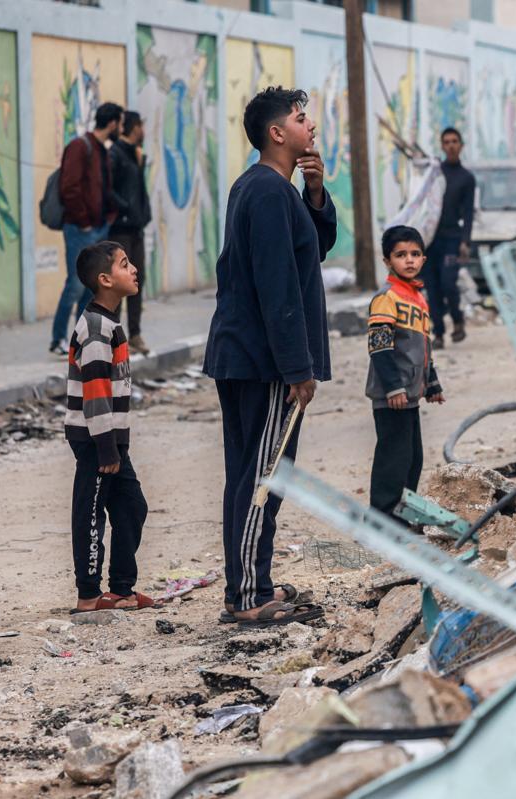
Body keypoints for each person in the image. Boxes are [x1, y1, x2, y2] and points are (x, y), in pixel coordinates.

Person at [203, 87, 335, 629]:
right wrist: (298, 369)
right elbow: (278, 288)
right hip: (263, 362)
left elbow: (315, 248)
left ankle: (246, 584)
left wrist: (317, 189)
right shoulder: (265, 192)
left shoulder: (272, 190)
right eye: (302, 119)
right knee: (264, 478)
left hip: (248, 357)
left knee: (249, 475)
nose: (312, 127)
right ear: (277, 133)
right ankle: (250, 596)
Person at [65, 240, 155, 613]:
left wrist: (116, 443)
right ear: (105, 279)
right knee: (91, 512)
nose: (133, 269)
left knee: (132, 506)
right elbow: (96, 393)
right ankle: (89, 594)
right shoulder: (97, 328)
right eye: (123, 264)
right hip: (95, 438)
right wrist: (106, 447)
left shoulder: (109, 324)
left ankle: (121, 588)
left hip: (111, 439)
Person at [366, 226, 445, 516]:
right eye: (401, 255)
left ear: (423, 259)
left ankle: (401, 516)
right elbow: (380, 348)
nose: (409, 260)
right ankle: (381, 521)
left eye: (414, 254)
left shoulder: (418, 299)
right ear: (387, 261)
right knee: (393, 459)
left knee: (413, 459)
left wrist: (432, 384)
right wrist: (393, 388)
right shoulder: (387, 298)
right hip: (393, 396)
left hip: (410, 394)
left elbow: (424, 348)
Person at [51, 102, 123, 356]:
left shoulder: (100, 150)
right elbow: (68, 188)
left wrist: (108, 217)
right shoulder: (80, 147)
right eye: (120, 123)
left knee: (91, 287)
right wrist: (84, 221)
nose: (121, 128)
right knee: (75, 285)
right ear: (112, 123)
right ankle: (58, 338)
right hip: (80, 228)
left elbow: (105, 189)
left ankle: (79, 339)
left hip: (99, 228)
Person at [425, 127, 475, 349]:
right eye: (447, 142)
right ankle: (438, 333)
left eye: (455, 141)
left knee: (448, 283)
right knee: (433, 287)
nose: (451, 145)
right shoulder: (434, 174)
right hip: (430, 240)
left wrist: (465, 241)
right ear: (442, 146)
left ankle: (457, 318)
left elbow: (469, 213)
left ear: (461, 145)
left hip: (452, 240)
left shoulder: (466, 178)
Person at [108, 110, 153, 354]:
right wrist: (125, 209)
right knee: (117, 283)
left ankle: (134, 334)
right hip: (120, 230)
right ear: (134, 127)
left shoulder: (136, 154)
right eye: (141, 127)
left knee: (137, 281)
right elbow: (108, 190)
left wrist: (141, 215)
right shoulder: (114, 154)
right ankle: (113, 338)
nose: (144, 132)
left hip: (136, 228)